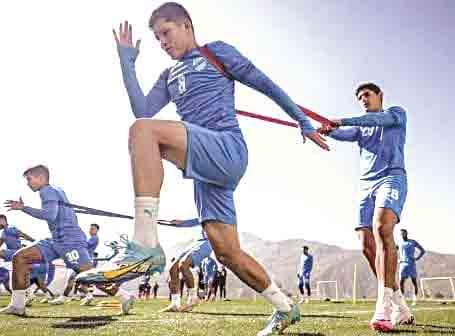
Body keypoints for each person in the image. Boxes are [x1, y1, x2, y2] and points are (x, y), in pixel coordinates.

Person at [77, 2, 329, 335]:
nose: (163, 42)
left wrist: (302, 121)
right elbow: (142, 108)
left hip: (226, 147)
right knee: (226, 252)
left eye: (166, 33)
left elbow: (265, 84)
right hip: (205, 170)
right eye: (157, 39)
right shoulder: (168, 76)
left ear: (186, 26)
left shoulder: (215, 52)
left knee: (143, 132)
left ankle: (145, 246)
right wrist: (127, 64)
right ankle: (284, 308)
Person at [320, 82, 414, 331]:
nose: (363, 99)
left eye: (367, 95)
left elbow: (368, 122)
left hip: (391, 177)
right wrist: (323, 129)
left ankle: (382, 308)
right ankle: (399, 305)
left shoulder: (395, 114)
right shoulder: (360, 129)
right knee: (366, 244)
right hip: (365, 187)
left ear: (380, 96)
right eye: (360, 97)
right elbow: (340, 133)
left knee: (382, 228)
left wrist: (340, 120)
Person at [0, 165, 95, 316]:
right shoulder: (56, 190)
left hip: (69, 241)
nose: (28, 183)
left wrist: (23, 208)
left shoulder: (47, 191)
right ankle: (17, 306)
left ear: (41, 177)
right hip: (56, 239)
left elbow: (49, 215)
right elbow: (62, 214)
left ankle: (124, 295)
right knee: (19, 257)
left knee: (90, 274)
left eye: (29, 179)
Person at [160, 219, 213, 312]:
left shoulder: (217, 211)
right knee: (173, 268)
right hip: (197, 242)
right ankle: (175, 304)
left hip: (208, 243)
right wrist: (181, 223)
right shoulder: (205, 212)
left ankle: (193, 298)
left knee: (183, 264)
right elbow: (197, 220)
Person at [0, 215, 34, 287]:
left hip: (16, 252)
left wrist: (35, 241)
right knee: (18, 278)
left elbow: (24, 235)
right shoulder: (4, 232)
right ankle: (28, 293)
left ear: (2, 221)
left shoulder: (11, 228)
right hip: (11, 254)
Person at [399, 229, 425, 306]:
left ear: (406, 234)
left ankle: (414, 300)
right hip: (403, 265)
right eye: (401, 234)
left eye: (403, 233)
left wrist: (417, 258)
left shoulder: (412, 242)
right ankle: (402, 300)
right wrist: (398, 259)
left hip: (411, 265)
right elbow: (393, 252)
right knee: (401, 282)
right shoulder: (400, 243)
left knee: (414, 282)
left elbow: (422, 250)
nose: (402, 235)